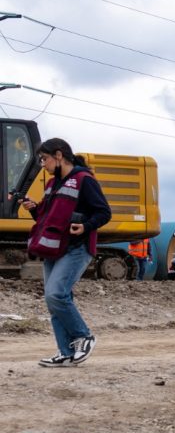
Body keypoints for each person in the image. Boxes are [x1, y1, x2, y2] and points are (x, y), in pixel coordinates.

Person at [21, 137, 111, 367]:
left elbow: (103, 213)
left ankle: (84, 336)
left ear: (59, 155)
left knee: (56, 294)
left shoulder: (84, 180)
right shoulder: (53, 184)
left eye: (44, 158)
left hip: (76, 248)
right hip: (53, 248)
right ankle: (66, 352)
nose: (43, 164)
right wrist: (34, 209)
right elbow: (48, 217)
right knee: (55, 300)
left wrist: (85, 226)